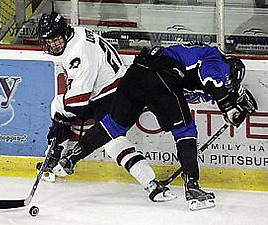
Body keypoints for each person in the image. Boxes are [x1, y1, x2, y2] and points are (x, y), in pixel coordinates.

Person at [49, 42, 258, 210]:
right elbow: (212, 80)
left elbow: (204, 88)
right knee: (185, 131)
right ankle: (193, 188)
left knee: (113, 126)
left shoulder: (203, 61)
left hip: (137, 72)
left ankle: (72, 157)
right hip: (160, 76)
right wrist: (228, 106)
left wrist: (231, 102)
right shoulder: (216, 58)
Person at [36, 11, 176, 202]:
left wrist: (61, 122)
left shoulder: (78, 52)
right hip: (113, 89)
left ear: (64, 32)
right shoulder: (77, 33)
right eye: (49, 41)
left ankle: (150, 182)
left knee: (111, 142)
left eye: (55, 39)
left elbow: (78, 101)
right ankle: (54, 155)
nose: (53, 44)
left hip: (113, 96)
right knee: (60, 105)